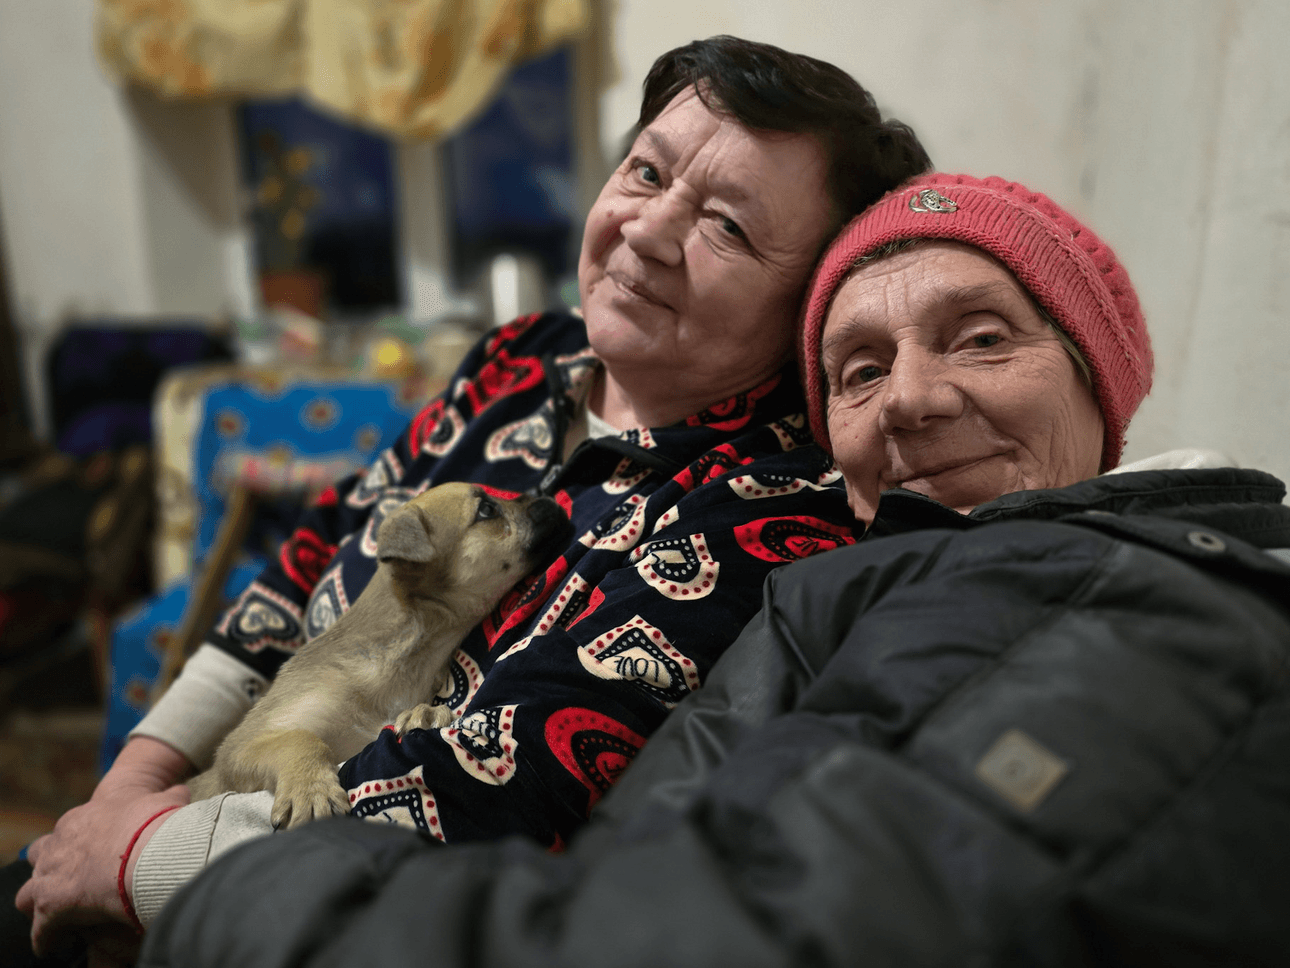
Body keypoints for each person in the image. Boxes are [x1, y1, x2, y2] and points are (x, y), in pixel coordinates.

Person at [136, 173, 1290, 968]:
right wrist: (144, 776)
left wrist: (199, 879)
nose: (916, 400)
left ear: (1105, 378)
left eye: (984, 336)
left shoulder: (1134, 604)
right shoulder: (847, 580)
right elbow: (662, 844)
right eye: (859, 368)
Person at [8, 36, 932, 965]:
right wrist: (132, 782)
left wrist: (134, 860)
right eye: (646, 171)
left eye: (728, 225)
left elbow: (494, 796)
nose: (647, 230)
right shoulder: (522, 357)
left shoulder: (770, 511)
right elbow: (308, 558)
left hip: (329, 922)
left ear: (815, 299)